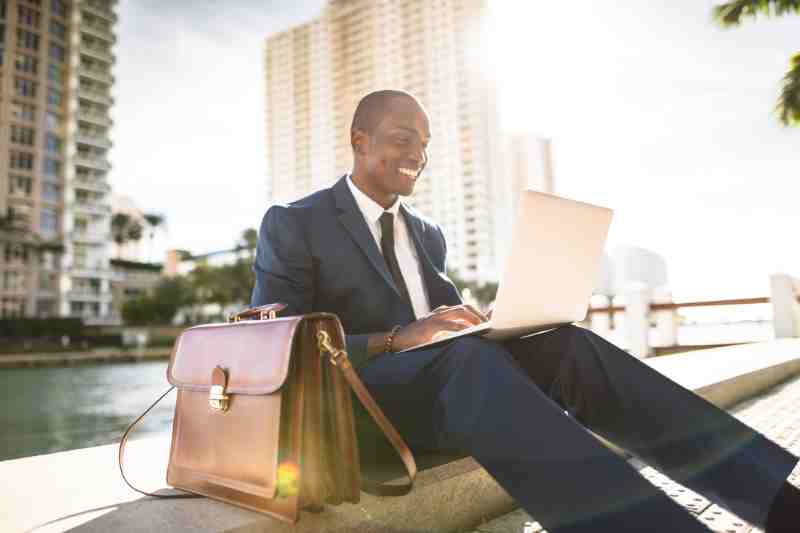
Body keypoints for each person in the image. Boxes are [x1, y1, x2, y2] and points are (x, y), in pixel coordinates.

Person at [251, 90, 799, 532]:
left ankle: (779, 505)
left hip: (452, 391)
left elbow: (443, 318)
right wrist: (396, 338)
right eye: (402, 139)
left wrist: (494, 323)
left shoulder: (426, 233)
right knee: (465, 366)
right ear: (359, 140)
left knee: (567, 346)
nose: (418, 154)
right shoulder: (296, 222)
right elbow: (275, 343)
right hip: (361, 411)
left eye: (425, 143)